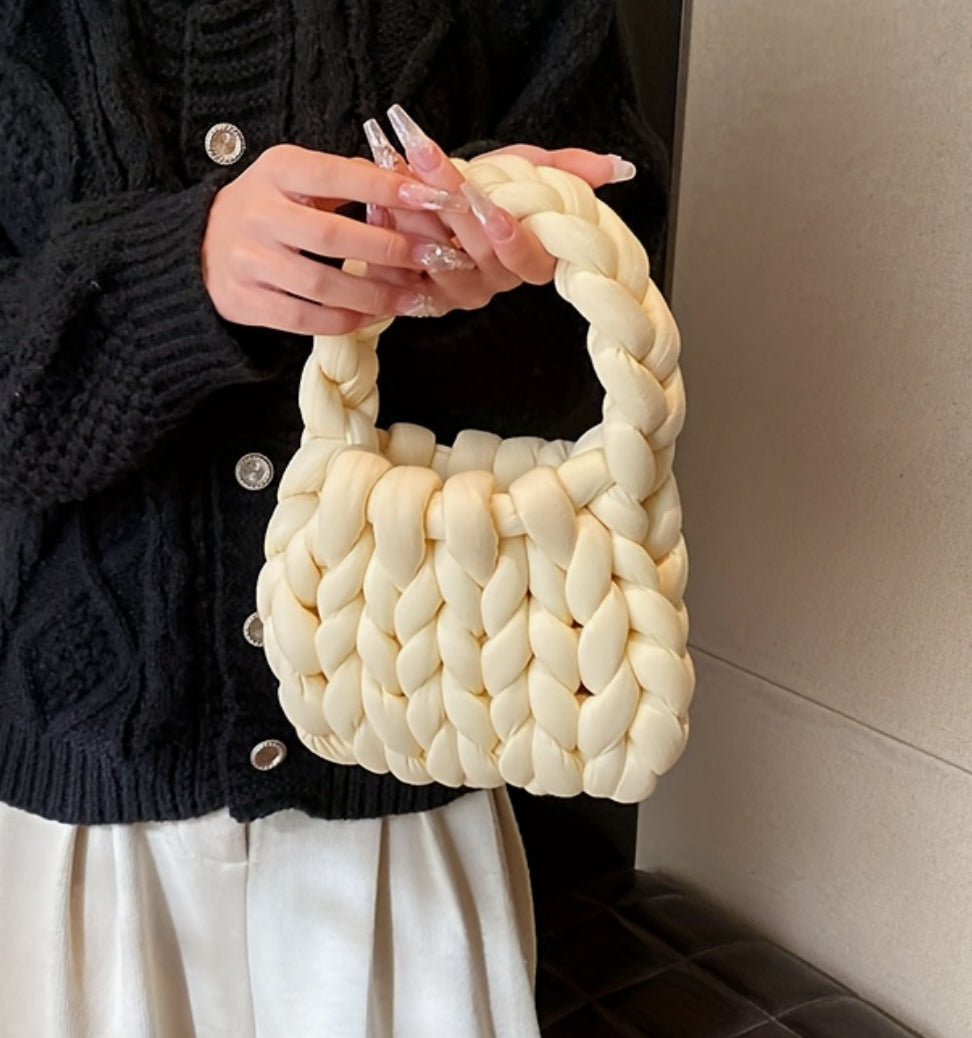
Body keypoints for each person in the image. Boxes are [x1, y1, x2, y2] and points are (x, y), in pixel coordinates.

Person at [0, 1, 668, 1035]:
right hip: (81, 827)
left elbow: (596, 350)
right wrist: (176, 279)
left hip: (411, 772)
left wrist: (452, 272)